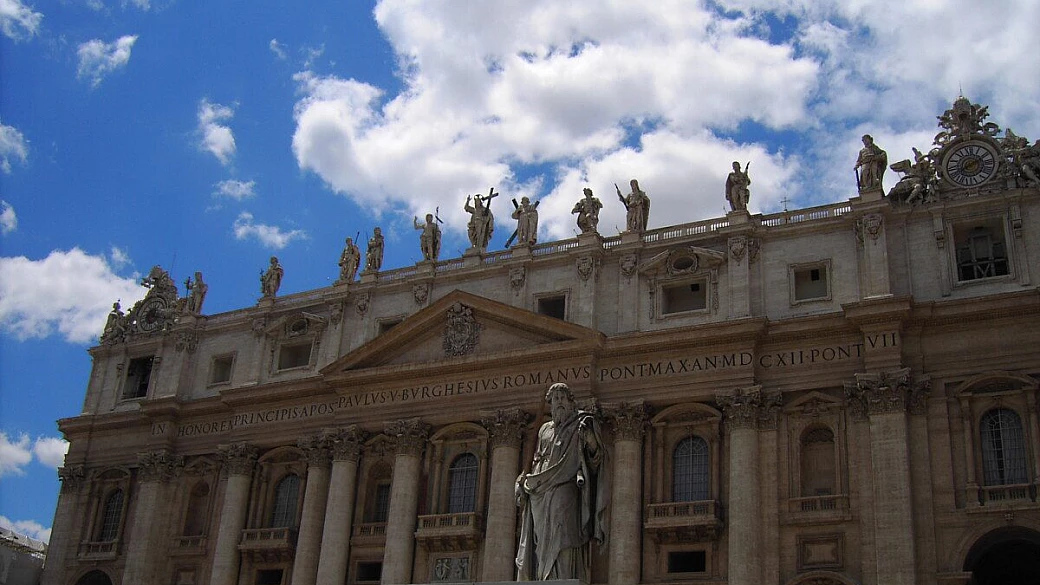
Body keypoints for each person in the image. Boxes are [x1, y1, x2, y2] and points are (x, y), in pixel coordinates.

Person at [515, 383, 609, 583]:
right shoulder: (544, 430)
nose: (558, 403)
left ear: (570, 401)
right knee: (541, 540)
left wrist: (590, 439)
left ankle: (564, 577)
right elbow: (537, 459)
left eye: (562, 398)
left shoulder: (581, 424)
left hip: (565, 485)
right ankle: (545, 577)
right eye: (555, 399)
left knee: (564, 533)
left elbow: (596, 457)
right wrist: (523, 481)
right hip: (540, 489)